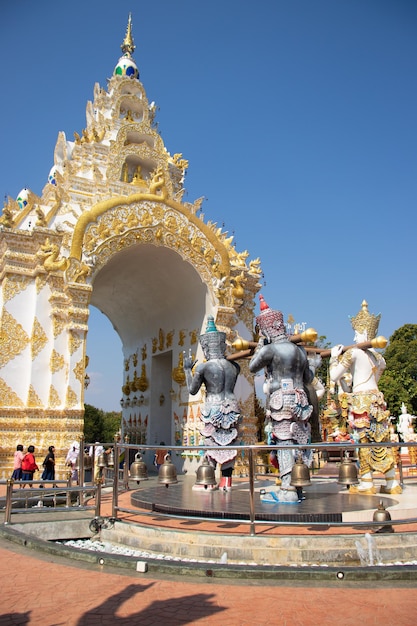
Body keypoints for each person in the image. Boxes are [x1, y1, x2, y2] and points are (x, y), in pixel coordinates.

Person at [329, 300, 402, 495]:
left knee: (364, 440)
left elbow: (334, 376)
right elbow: (375, 378)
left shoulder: (352, 353)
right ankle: (391, 482)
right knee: (382, 439)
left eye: (357, 333)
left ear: (364, 333)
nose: (354, 336)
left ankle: (367, 482)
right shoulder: (380, 358)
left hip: (361, 400)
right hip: (377, 400)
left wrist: (334, 358)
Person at [249, 295, 314, 503]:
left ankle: (288, 488)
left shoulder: (270, 349)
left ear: (267, 330)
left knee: (284, 441)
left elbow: (252, 367)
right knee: (299, 439)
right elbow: (309, 378)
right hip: (300, 398)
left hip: (281, 399)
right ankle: (299, 484)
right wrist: (314, 364)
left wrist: (260, 345)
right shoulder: (299, 351)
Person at [184, 315, 241, 491]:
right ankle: (227, 481)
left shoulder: (204, 367)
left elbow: (192, 390)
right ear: (222, 346)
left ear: (207, 347)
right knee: (229, 443)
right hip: (232, 406)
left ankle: (208, 480)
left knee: (211, 442)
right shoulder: (234, 367)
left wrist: (187, 370)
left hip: (213, 406)